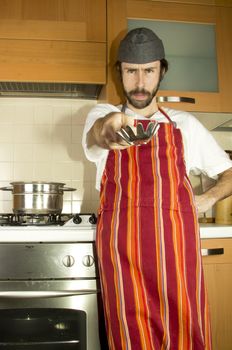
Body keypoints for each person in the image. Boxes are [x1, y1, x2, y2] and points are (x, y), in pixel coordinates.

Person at [82, 27, 232, 350]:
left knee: (186, 337)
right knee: (129, 339)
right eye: (130, 71)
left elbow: (229, 174)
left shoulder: (184, 125)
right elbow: (98, 132)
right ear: (119, 73)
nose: (139, 83)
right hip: (122, 258)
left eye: (148, 71)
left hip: (177, 255)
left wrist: (204, 199)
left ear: (161, 71)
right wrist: (108, 129)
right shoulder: (103, 115)